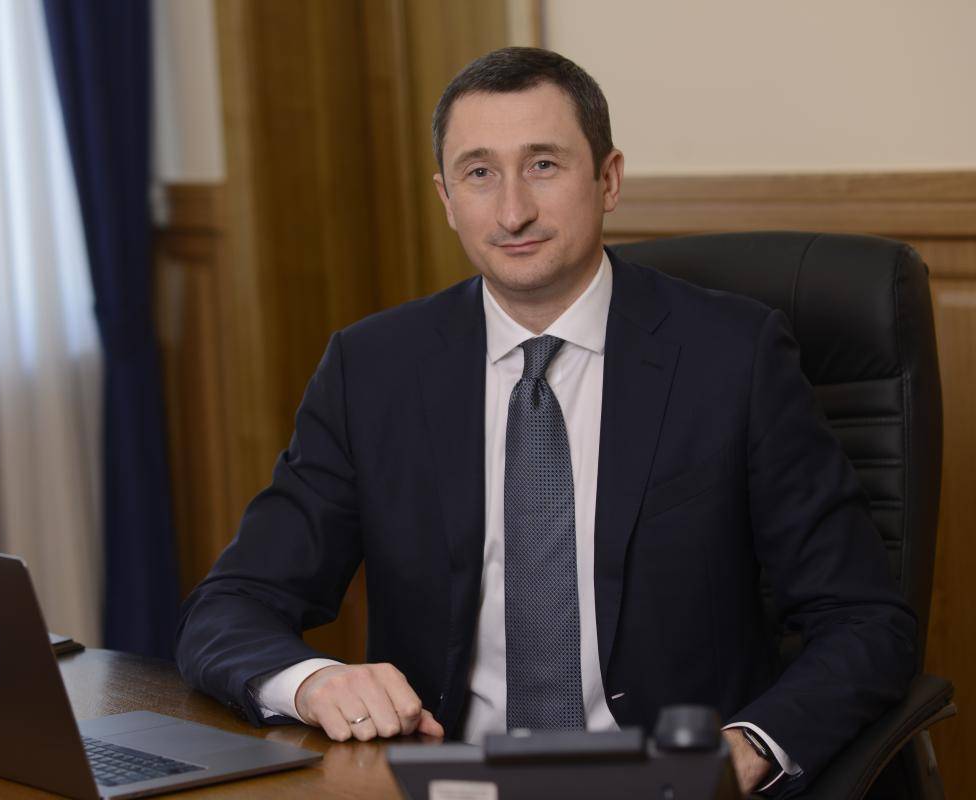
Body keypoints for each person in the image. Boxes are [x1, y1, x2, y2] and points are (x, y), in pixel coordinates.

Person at [174, 47, 915, 797]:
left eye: (543, 165)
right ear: (446, 198)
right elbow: (231, 605)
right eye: (479, 173)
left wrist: (746, 751)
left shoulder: (733, 357)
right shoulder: (372, 370)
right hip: (448, 783)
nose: (512, 212)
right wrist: (312, 681)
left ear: (608, 179)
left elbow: (864, 619)